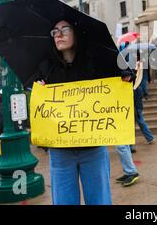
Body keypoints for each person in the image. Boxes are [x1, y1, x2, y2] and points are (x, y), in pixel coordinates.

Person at [34, 19, 133, 205]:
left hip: (93, 148)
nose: (59, 35)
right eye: (55, 31)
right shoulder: (46, 68)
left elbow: (121, 74)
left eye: (64, 29)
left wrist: (126, 75)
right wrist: (39, 90)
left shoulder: (95, 62)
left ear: (76, 33)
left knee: (99, 200)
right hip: (60, 151)